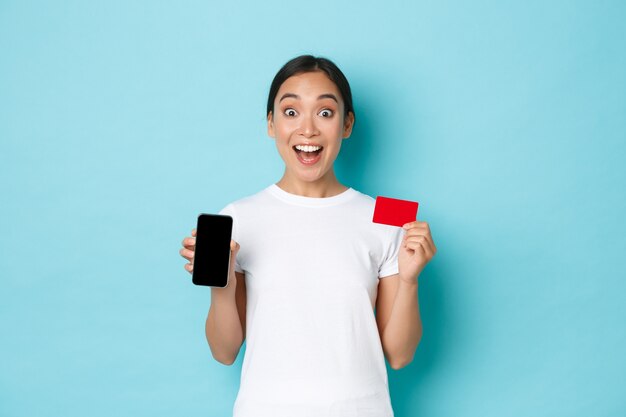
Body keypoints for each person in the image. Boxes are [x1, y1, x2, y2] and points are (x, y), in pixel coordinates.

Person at [179, 55, 437, 417]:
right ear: (270, 124)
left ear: (347, 124)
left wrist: (409, 281)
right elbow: (224, 352)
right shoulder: (237, 218)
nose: (308, 129)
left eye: (326, 113)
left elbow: (400, 354)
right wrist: (220, 285)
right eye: (290, 112)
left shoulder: (387, 216)